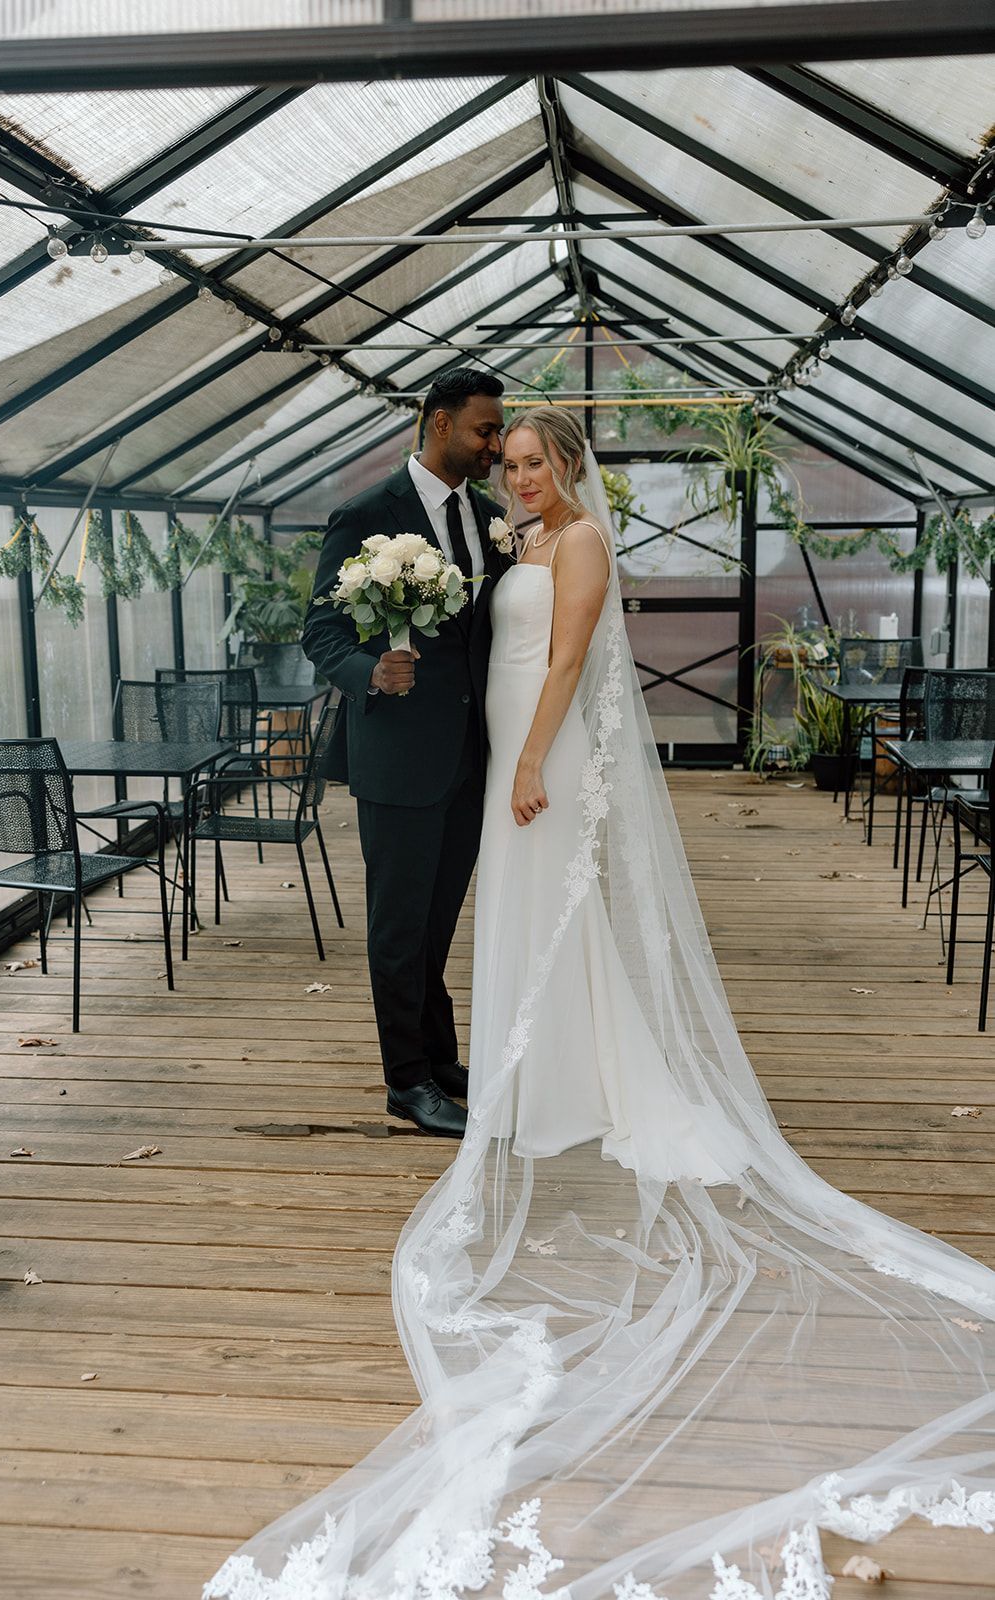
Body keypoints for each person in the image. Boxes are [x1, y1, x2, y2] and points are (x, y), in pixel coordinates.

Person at [207, 408, 995, 1600]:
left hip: (547, 750)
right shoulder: (504, 537)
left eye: (532, 461)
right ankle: (542, 1071)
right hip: (492, 746)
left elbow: (568, 658)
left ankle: (587, 1074)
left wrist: (529, 757)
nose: (515, 473)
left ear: (567, 468)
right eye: (506, 460)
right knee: (524, 923)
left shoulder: (574, 545)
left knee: (557, 911)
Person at [302, 368, 511, 1138]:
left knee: (436, 922)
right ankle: (406, 1083)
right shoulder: (364, 515)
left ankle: (439, 1057)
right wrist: (370, 674)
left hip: (469, 756)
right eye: (484, 431)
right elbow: (320, 631)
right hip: (396, 758)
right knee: (397, 926)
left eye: (497, 431)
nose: (495, 445)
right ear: (437, 424)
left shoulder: (490, 520)